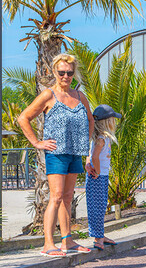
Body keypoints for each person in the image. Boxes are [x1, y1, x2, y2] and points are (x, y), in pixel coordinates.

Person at [17, 54, 94, 257]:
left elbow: (90, 120)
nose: (66, 76)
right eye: (61, 72)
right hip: (56, 153)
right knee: (56, 196)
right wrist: (37, 142)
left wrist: (85, 145)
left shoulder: (79, 97)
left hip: (75, 153)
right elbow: (23, 117)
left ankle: (67, 240)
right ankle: (48, 243)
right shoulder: (48, 95)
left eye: (69, 72)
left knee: (68, 197)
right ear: (54, 72)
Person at [85, 105, 122, 251]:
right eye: (113, 119)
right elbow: (94, 156)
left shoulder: (99, 138)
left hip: (99, 176)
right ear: (107, 122)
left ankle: (100, 235)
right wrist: (98, 171)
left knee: (99, 206)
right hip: (98, 176)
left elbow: (90, 155)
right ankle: (98, 238)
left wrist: (88, 164)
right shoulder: (101, 138)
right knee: (98, 207)